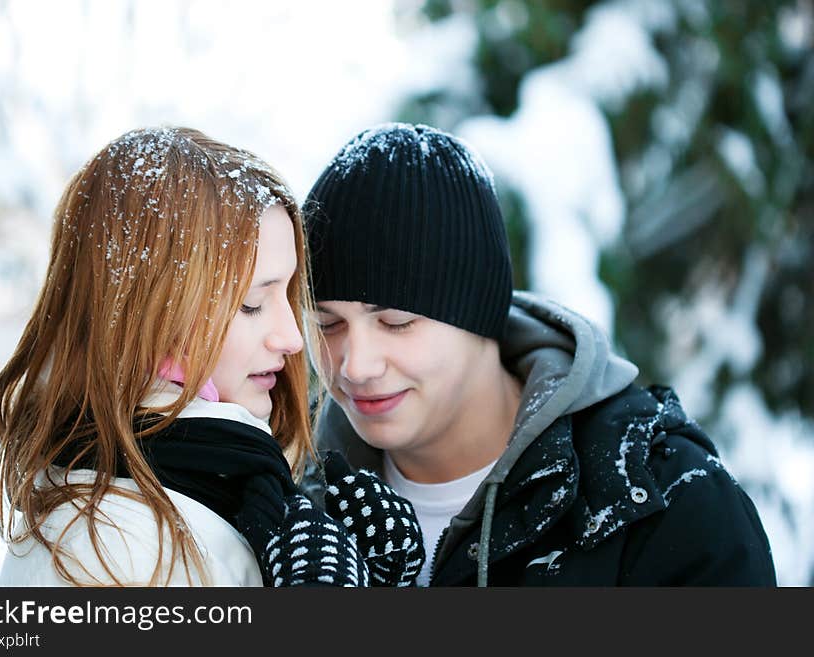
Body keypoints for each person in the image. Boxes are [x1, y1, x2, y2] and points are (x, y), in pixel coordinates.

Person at [301, 122, 777, 586]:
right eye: (327, 323)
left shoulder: (662, 501)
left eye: (396, 322)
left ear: (479, 313)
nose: (355, 365)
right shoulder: (295, 503)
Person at [0, 126, 423, 587]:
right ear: (148, 314)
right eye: (251, 304)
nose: (292, 338)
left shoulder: (219, 485)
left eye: (288, 295)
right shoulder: (104, 551)